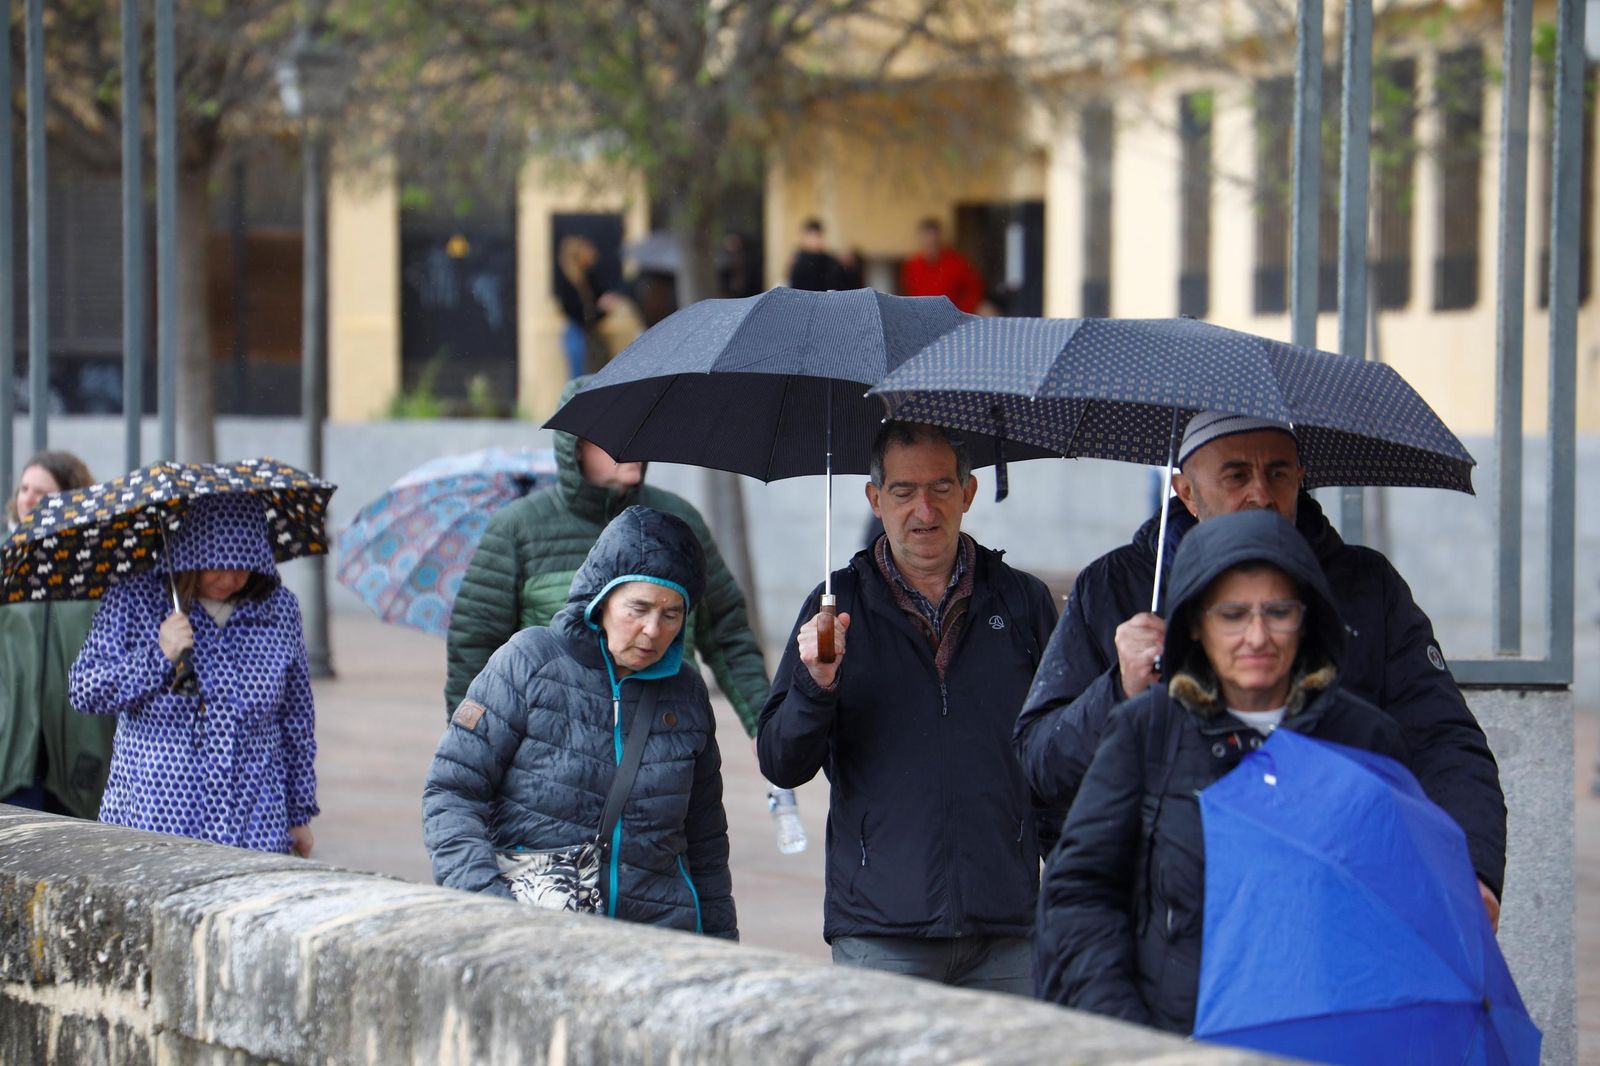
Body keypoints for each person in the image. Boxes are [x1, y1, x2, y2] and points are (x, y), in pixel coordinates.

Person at [1014, 410, 1507, 924]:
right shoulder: (1116, 589)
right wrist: (1117, 689)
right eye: (1235, 475)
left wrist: (1469, 870)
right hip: (1167, 930)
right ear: (1185, 490)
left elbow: (1444, 743)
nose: (1261, 494)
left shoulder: (1366, 589)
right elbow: (1040, 764)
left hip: (1335, 912)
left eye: (1277, 472)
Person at [1035, 509, 1409, 1032]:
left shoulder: (1364, 739)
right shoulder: (1147, 731)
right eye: (1232, 614)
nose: (1257, 636)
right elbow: (1080, 896)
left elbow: (1396, 912)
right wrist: (1128, 1033)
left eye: (1278, 611)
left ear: (1307, 619)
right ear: (1196, 623)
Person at [758, 421, 1058, 993]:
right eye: (902, 490)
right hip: (881, 932)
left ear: (968, 494)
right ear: (875, 498)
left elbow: (1057, 754)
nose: (924, 509)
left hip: (1009, 929)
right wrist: (815, 684)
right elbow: (781, 760)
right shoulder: (835, 609)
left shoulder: (1022, 603)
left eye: (942, 487)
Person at [424, 506, 737, 937]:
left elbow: (705, 839)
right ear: (602, 598)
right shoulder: (529, 661)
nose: (651, 630)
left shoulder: (686, 692)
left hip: (660, 939)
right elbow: (452, 791)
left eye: (671, 614)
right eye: (638, 608)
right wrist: (485, 903)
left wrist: (722, 948)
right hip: (536, 931)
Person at [446, 376, 772, 743]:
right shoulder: (518, 528)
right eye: (616, 433)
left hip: (669, 738)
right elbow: (475, 649)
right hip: (557, 747)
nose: (633, 444)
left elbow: (727, 633)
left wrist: (771, 733)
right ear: (576, 447)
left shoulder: (678, 520)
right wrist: (476, 752)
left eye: (640, 429)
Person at [67, 493, 317, 856]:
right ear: (192, 551)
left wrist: (299, 813)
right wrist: (158, 656)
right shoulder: (135, 599)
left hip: (254, 819)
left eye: (243, 565)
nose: (231, 578)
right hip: (156, 819)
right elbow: (84, 690)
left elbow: (295, 719)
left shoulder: (278, 609)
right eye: (218, 564)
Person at [0, 451, 117, 817]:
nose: (29, 500)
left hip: (80, 743)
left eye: (42, 493)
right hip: (13, 746)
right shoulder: (6, 562)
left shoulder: (98, 570)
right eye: (24, 489)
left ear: (72, 499)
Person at [555, 234, 619, 378]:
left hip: (586, 333)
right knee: (579, 376)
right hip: (577, 333)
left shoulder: (587, 280)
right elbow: (577, 313)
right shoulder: (570, 283)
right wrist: (598, 310)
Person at [899, 218, 985, 313]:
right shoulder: (912, 266)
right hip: (922, 317)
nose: (930, 246)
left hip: (952, 318)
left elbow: (975, 290)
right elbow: (910, 296)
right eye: (927, 242)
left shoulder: (957, 264)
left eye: (934, 243)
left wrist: (961, 312)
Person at [786, 218, 846, 292]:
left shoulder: (830, 261)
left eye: (816, 236)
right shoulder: (798, 261)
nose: (814, 240)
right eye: (811, 236)